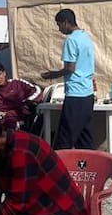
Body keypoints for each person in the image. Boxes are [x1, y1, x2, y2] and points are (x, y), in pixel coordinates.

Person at [40, 9, 96, 149]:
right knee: (84, 135)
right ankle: (88, 166)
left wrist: (52, 75)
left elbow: (70, 68)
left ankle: (59, 166)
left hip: (75, 94)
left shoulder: (71, 40)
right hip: (87, 93)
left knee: (65, 137)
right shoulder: (85, 36)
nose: (59, 29)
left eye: (59, 25)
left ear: (66, 23)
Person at [0, 61, 42, 130]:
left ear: (4, 73)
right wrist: (0, 114)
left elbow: (37, 91)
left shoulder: (17, 83)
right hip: (3, 126)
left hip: (28, 121)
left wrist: (26, 105)